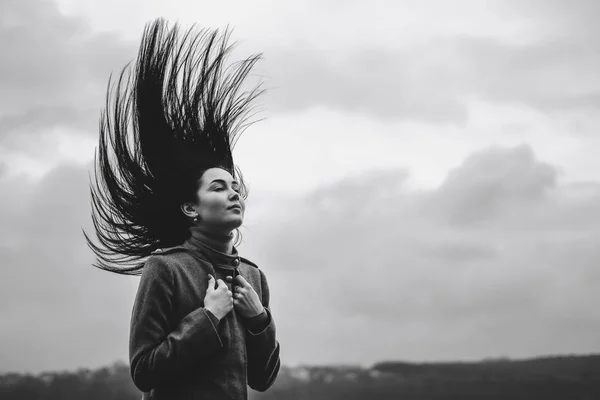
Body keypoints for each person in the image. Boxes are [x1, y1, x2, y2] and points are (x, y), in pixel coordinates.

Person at [85, 18, 281, 399]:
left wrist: (259, 319)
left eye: (236, 187)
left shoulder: (254, 279)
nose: (234, 193)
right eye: (220, 187)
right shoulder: (166, 269)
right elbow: (144, 371)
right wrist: (207, 317)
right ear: (191, 207)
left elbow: (263, 379)